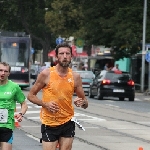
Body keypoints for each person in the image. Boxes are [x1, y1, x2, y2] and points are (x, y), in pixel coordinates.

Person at [27, 43, 88, 150]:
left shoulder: (75, 77)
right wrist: (45, 104)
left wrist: (82, 102)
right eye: (61, 53)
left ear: (71, 57)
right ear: (56, 56)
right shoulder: (46, 74)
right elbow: (31, 95)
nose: (65, 56)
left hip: (68, 121)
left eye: (67, 53)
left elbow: (84, 102)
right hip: (49, 122)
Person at [0, 62, 28, 150]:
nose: (2, 73)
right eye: (0, 70)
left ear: (9, 73)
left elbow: (24, 104)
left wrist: (21, 113)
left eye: (5, 71)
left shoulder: (14, 87)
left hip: (6, 126)